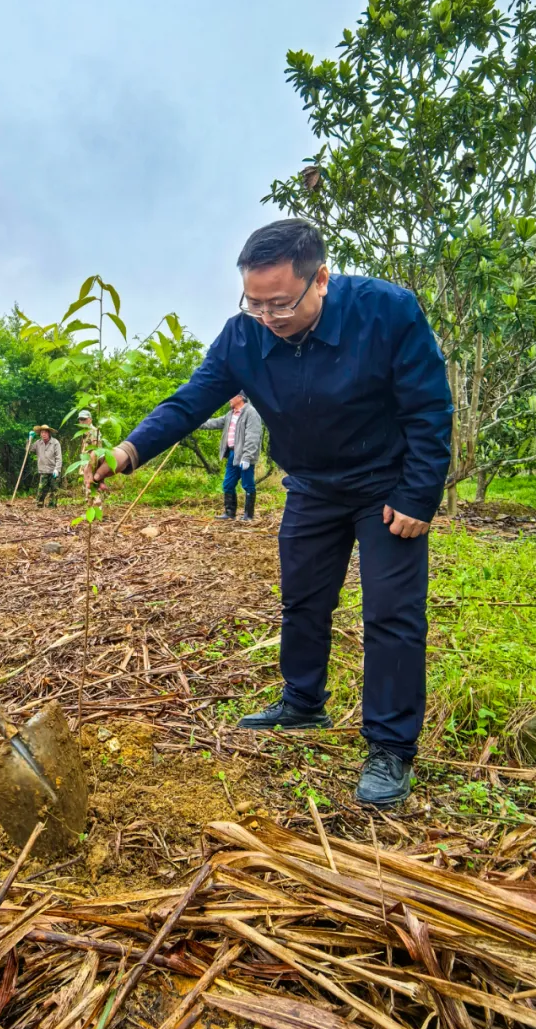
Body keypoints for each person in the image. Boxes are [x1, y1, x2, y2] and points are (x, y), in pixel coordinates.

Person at [92, 219, 452, 808]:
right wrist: (128, 450)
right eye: (254, 302)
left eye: (280, 303)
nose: (267, 316)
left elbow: (430, 408)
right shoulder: (244, 336)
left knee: (393, 614)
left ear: (321, 280)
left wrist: (418, 495)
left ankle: (391, 746)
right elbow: (190, 401)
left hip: (386, 485)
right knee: (303, 598)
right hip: (311, 485)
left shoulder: (387, 313)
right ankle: (303, 702)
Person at [202, 392, 262, 521]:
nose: (229, 399)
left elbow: (253, 437)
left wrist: (247, 457)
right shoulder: (230, 414)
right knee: (228, 484)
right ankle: (229, 513)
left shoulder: (251, 413)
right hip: (232, 454)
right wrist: (194, 424)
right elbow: (214, 423)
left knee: (248, 484)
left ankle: (248, 515)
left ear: (240, 397)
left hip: (244, 455)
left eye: (231, 396)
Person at [32, 425, 62, 506]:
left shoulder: (55, 443)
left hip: (54, 470)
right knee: (41, 489)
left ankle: (52, 507)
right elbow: (29, 449)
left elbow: (59, 457)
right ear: (40, 434)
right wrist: (29, 439)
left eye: (45, 432)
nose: (43, 434)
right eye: (42, 432)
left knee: (54, 490)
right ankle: (39, 505)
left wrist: (57, 469)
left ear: (49, 433)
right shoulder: (38, 443)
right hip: (43, 470)